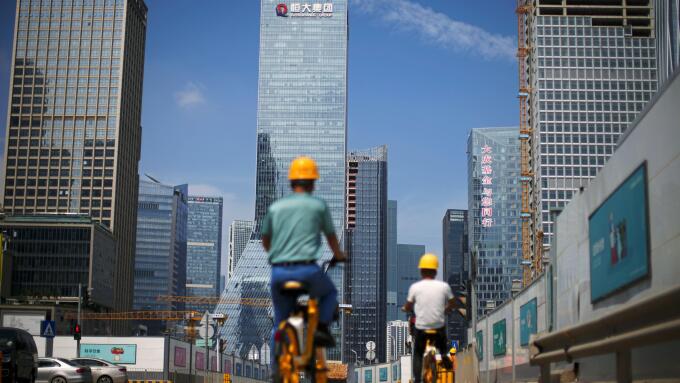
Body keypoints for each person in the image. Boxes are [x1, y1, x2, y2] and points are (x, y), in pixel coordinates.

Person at [262, 156, 346, 352]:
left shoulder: (276, 207)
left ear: (291, 181)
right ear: (313, 183)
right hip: (307, 270)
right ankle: (321, 328)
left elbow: (265, 239)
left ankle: (277, 373)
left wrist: (275, 253)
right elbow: (332, 237)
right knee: (330, 294)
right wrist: (339, 254)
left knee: (279, 324)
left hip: (280, 272)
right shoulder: (318, 206)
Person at [403, 253, 455, 382]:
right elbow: (452, 303)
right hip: (438, 328)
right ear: (436, 271)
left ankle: (417, 379)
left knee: (418, 354)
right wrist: (447, 309)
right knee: (442, 344)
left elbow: (408, 305)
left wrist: (405, 308)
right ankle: (443, 356)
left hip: (421, 329)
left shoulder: (415, 287)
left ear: (421, 271)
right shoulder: (444, 287)